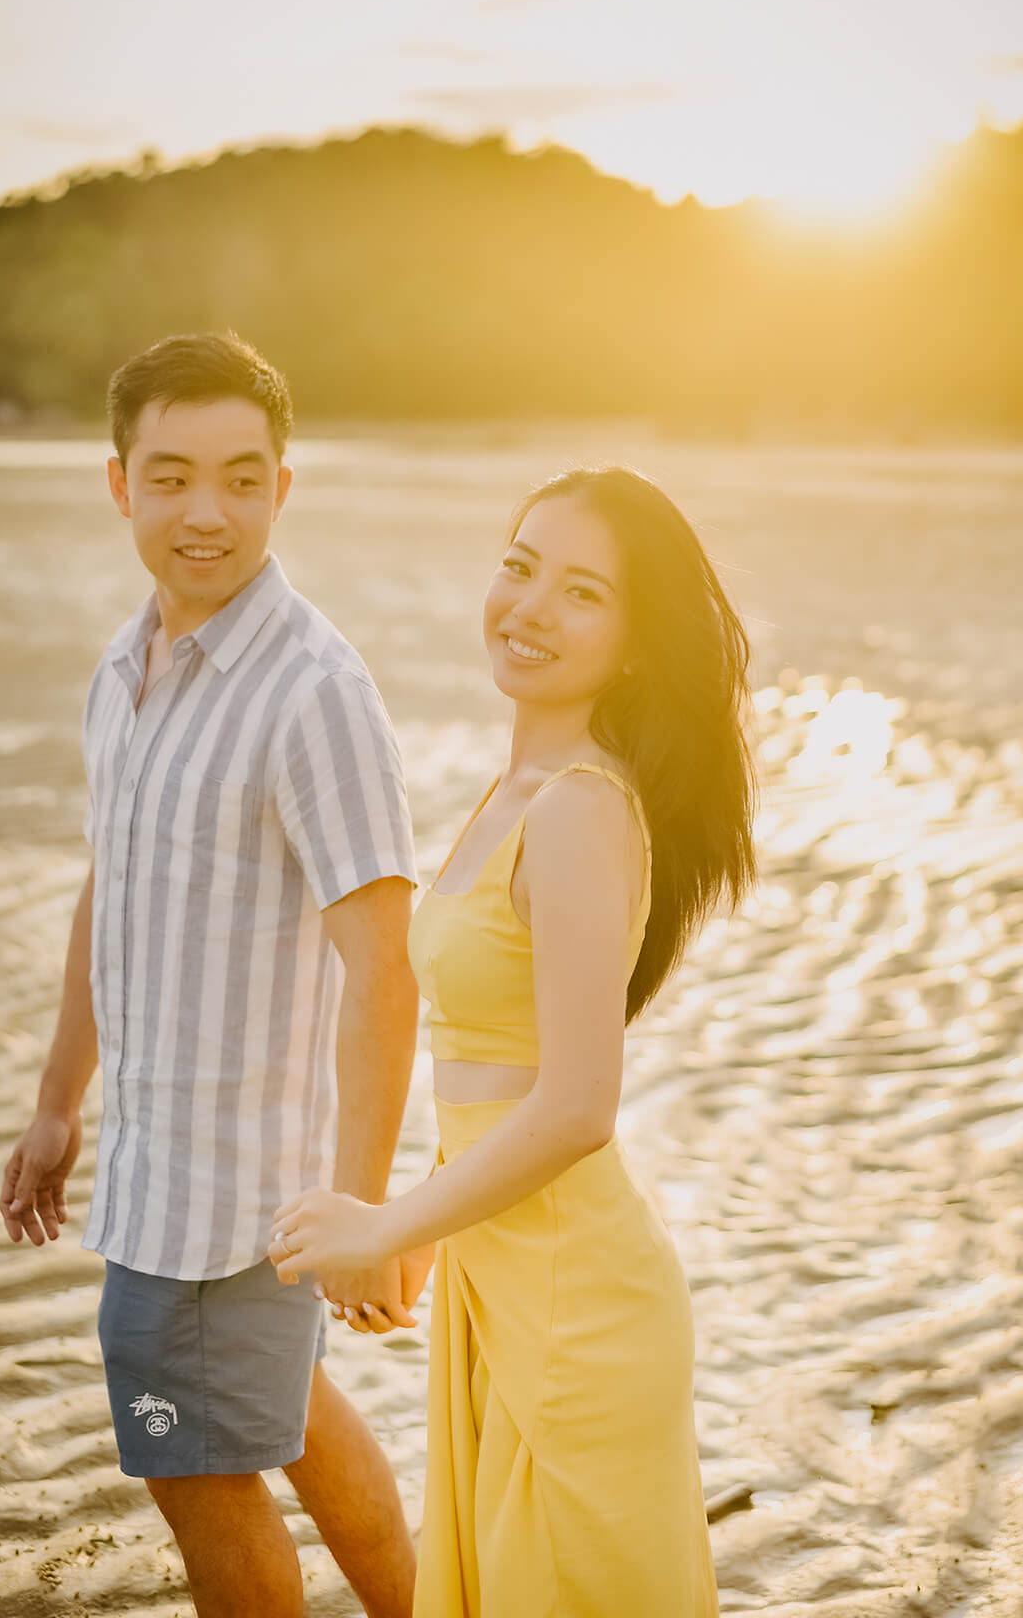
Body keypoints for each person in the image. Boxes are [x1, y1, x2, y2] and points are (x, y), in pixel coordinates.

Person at [271, 464, 757, 1616]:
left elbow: (579, 1103)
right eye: (519, 564)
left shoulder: (581, 805)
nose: (530, 606)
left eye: (582, 591)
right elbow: (498, 1076)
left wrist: (385, 1218)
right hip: (503, 1284)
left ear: (635, 642)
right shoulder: (517, 788)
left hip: (579, 1307)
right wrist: (426, 1235)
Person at [0, 332, 422, 1618]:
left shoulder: (312, 692)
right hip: (153, 1164)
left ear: (283, 487)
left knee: (199, 1474)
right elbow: (107, 888)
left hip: (241, 1197)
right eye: (172, 474)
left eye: (242, 478)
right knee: (283, 1413)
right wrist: (57, 1099)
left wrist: (361, 1205)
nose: (207, 511)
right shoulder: (121, 674)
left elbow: (382, 967)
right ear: (119, 482)